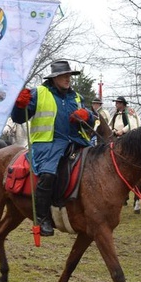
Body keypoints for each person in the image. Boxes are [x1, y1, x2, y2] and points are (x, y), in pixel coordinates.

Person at [11, 59, 93, 237]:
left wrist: (86, 114)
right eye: (64, 76)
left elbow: (91, 119)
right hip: (48, 144)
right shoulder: (38, 93)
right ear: (54, 78)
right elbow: (19, 118)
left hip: (77, 142)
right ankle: (42, 218)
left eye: (69, 75)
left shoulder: (77, 97)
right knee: (48, 175)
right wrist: (19, 105)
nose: (68, 79)